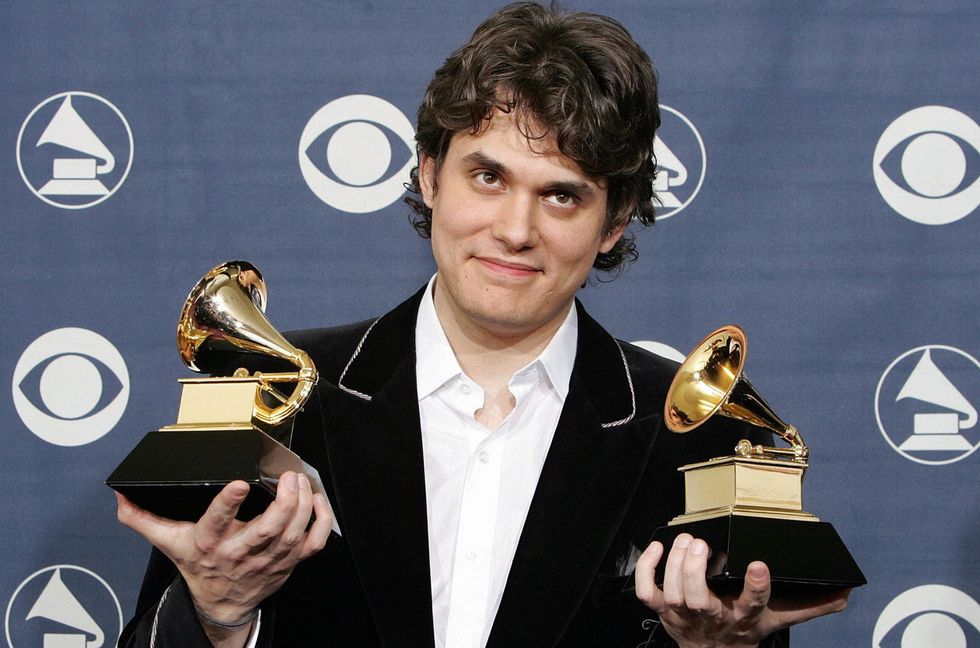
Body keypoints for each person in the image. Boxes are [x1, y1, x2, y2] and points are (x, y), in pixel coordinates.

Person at [115, 3, 849, 647]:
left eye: (562, 196)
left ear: (614, 223)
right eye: (488, 177)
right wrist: (214, 612)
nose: (515, 229)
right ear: (432, 176)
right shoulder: (275, 391)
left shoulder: (692, 431)